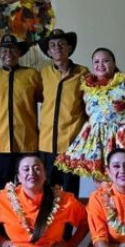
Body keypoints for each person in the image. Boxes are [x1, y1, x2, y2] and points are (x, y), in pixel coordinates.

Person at [56, 47, 125, 180]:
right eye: (96, 62)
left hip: (121, 138)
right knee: (100, 180)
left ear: (114, 63)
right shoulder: (88, 88)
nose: (100, 65)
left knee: (124, 178)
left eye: (105, 61)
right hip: (97, 141)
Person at [0, 34, 42, 190]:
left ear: (19, 52)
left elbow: (46, 99)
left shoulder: (32, 75)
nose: (8, 53)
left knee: (29, 189)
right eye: (4, 50)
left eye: (12, 49)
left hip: (27, 143)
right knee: (3, 190)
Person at [37, 29, 88, 196]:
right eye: (52, 45)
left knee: (69, 194)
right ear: (49, 52)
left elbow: (89, 106)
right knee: (47, 193)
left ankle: (68, 216)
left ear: (69, 48)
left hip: (71, 145)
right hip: (46, 144)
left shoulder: (83, 73)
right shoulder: (43, 74)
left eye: (61, 44)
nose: (57, 48)